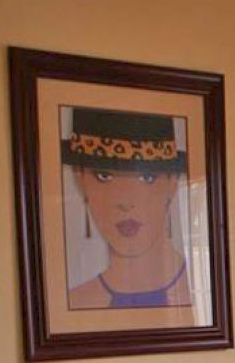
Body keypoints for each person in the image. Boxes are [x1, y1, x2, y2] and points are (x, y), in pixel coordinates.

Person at [61, 108, 193, 316]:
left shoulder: (203, 293)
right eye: (104, 176)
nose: (125, 201)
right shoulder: (74, 302)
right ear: (80, 179)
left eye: (147, 177)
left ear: (172, 182)